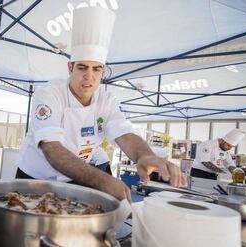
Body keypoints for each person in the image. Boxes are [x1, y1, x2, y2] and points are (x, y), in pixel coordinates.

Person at [16, 6, 187, 202]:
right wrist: (102, 180)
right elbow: (52, 149)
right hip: (34, 180)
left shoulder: (107, 101)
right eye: (82, 67)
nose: (89, 76)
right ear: (70, 67)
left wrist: (144, 156)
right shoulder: (49, 94)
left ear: (102, 72)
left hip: (74, 177)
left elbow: (124, 133)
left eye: (97, 69)